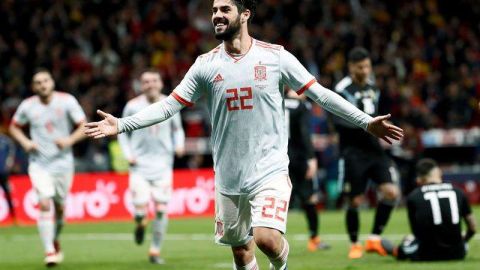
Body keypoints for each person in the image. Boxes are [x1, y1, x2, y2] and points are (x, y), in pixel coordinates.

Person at [85, 1, 403, 269]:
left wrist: (365, 121)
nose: (217, 16)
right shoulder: (204, 66)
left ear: (245, 14)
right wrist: (122, 123)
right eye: (214, 10)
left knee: (265, 238)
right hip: (228, 176)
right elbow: (169, 106)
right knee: (241, 252)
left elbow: (320, 95)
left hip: (270, 169)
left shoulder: (276, 57)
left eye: (225, 9)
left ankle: (281, 265)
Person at [9, 69, 86, 266]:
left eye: (46, 80)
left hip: (63, 163)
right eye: (38, 82)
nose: (43, 85)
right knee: (44, 203)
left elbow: (83, 126)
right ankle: (49, 252)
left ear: (52, 82)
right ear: (34, 87)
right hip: (39, 164)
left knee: (60, 209)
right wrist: (26, 143)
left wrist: (69, 140)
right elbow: (14, 127)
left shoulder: (67, 100)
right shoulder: (27, 106)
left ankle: (54, 239)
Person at [331, 47, 401, 259]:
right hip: (353, 152)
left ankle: (374, 238)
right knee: (355, 201)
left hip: (374, 150)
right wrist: (368, 125)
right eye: (361, 67)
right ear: (351, 67)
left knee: (391, 193)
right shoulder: (342, 89)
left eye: (368, 66)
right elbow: (337, 120)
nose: (365, 70)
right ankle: (354, 243)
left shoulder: (373, 87)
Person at [118, 70, 185, 264]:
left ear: (161, 83)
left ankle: (155, 250)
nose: (150, 84)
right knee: (140, 211)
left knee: (162, 209)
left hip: (163, 165)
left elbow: (177, 129)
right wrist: (128, 155)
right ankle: (140, 222)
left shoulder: (171, 102)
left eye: (154, 80)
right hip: (139, 165)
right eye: (146, 82)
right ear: (141, 85)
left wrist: (179, 143)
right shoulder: (132, 106)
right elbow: (122, 132)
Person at [381, 158, 476, 261]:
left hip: (426, 254)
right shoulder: (458, 192)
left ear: (419, 179)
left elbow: (416, 232)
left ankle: (397, 252)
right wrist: (464, 240)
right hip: (457, 253)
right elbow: (472, 228)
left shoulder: (414, 196)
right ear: (438, 172)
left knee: (408, 241)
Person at [285, 89, 329, 251]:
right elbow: (304, 134)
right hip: (298, 158)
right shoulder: (302, 106)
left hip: (277, 158)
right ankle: (314, 239)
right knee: (309, 198)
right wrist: (311, 158)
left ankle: (268, 239)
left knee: (280, 200)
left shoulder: (276, 100)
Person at [0, 130, 16, 222]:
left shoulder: (6, 140)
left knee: (8, 193)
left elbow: (12, 151)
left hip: (3, 172)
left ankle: (13, 217)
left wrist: (9, 162)